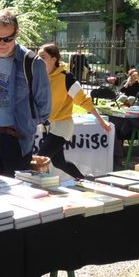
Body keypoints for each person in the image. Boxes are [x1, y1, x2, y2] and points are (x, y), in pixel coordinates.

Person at [0, 10, 51, 177]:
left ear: (16, 33)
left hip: (18, 140)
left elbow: (45, 107)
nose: (1, 43)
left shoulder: (33, 63)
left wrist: (26, 123)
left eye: (7, 39)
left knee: (17, 194)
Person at [37, 43, 112, 179]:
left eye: (43, 57)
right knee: (59, 163)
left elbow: (84, 100)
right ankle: (83, 180)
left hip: (61, 127)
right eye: (38, 57)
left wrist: (101, 121)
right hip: (47, 127)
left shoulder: (66, 77)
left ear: (54, 59)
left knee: (40, 159)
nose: (39, 60)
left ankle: (41, 188)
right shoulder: (40, 77)